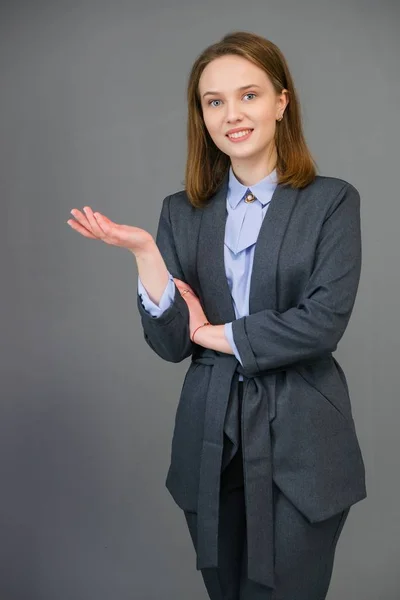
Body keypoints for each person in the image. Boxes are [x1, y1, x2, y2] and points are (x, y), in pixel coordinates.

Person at [67, 31, 367, 600]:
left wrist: (216, 334)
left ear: (282, 102)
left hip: (304, 441)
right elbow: (172, 344)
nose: (232, 114)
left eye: (248, 95)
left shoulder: (332, 201)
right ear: (201, 115)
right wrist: (145, 255)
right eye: (214, 101)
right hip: (210, 438)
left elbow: (323, 321)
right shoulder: (180, 213)